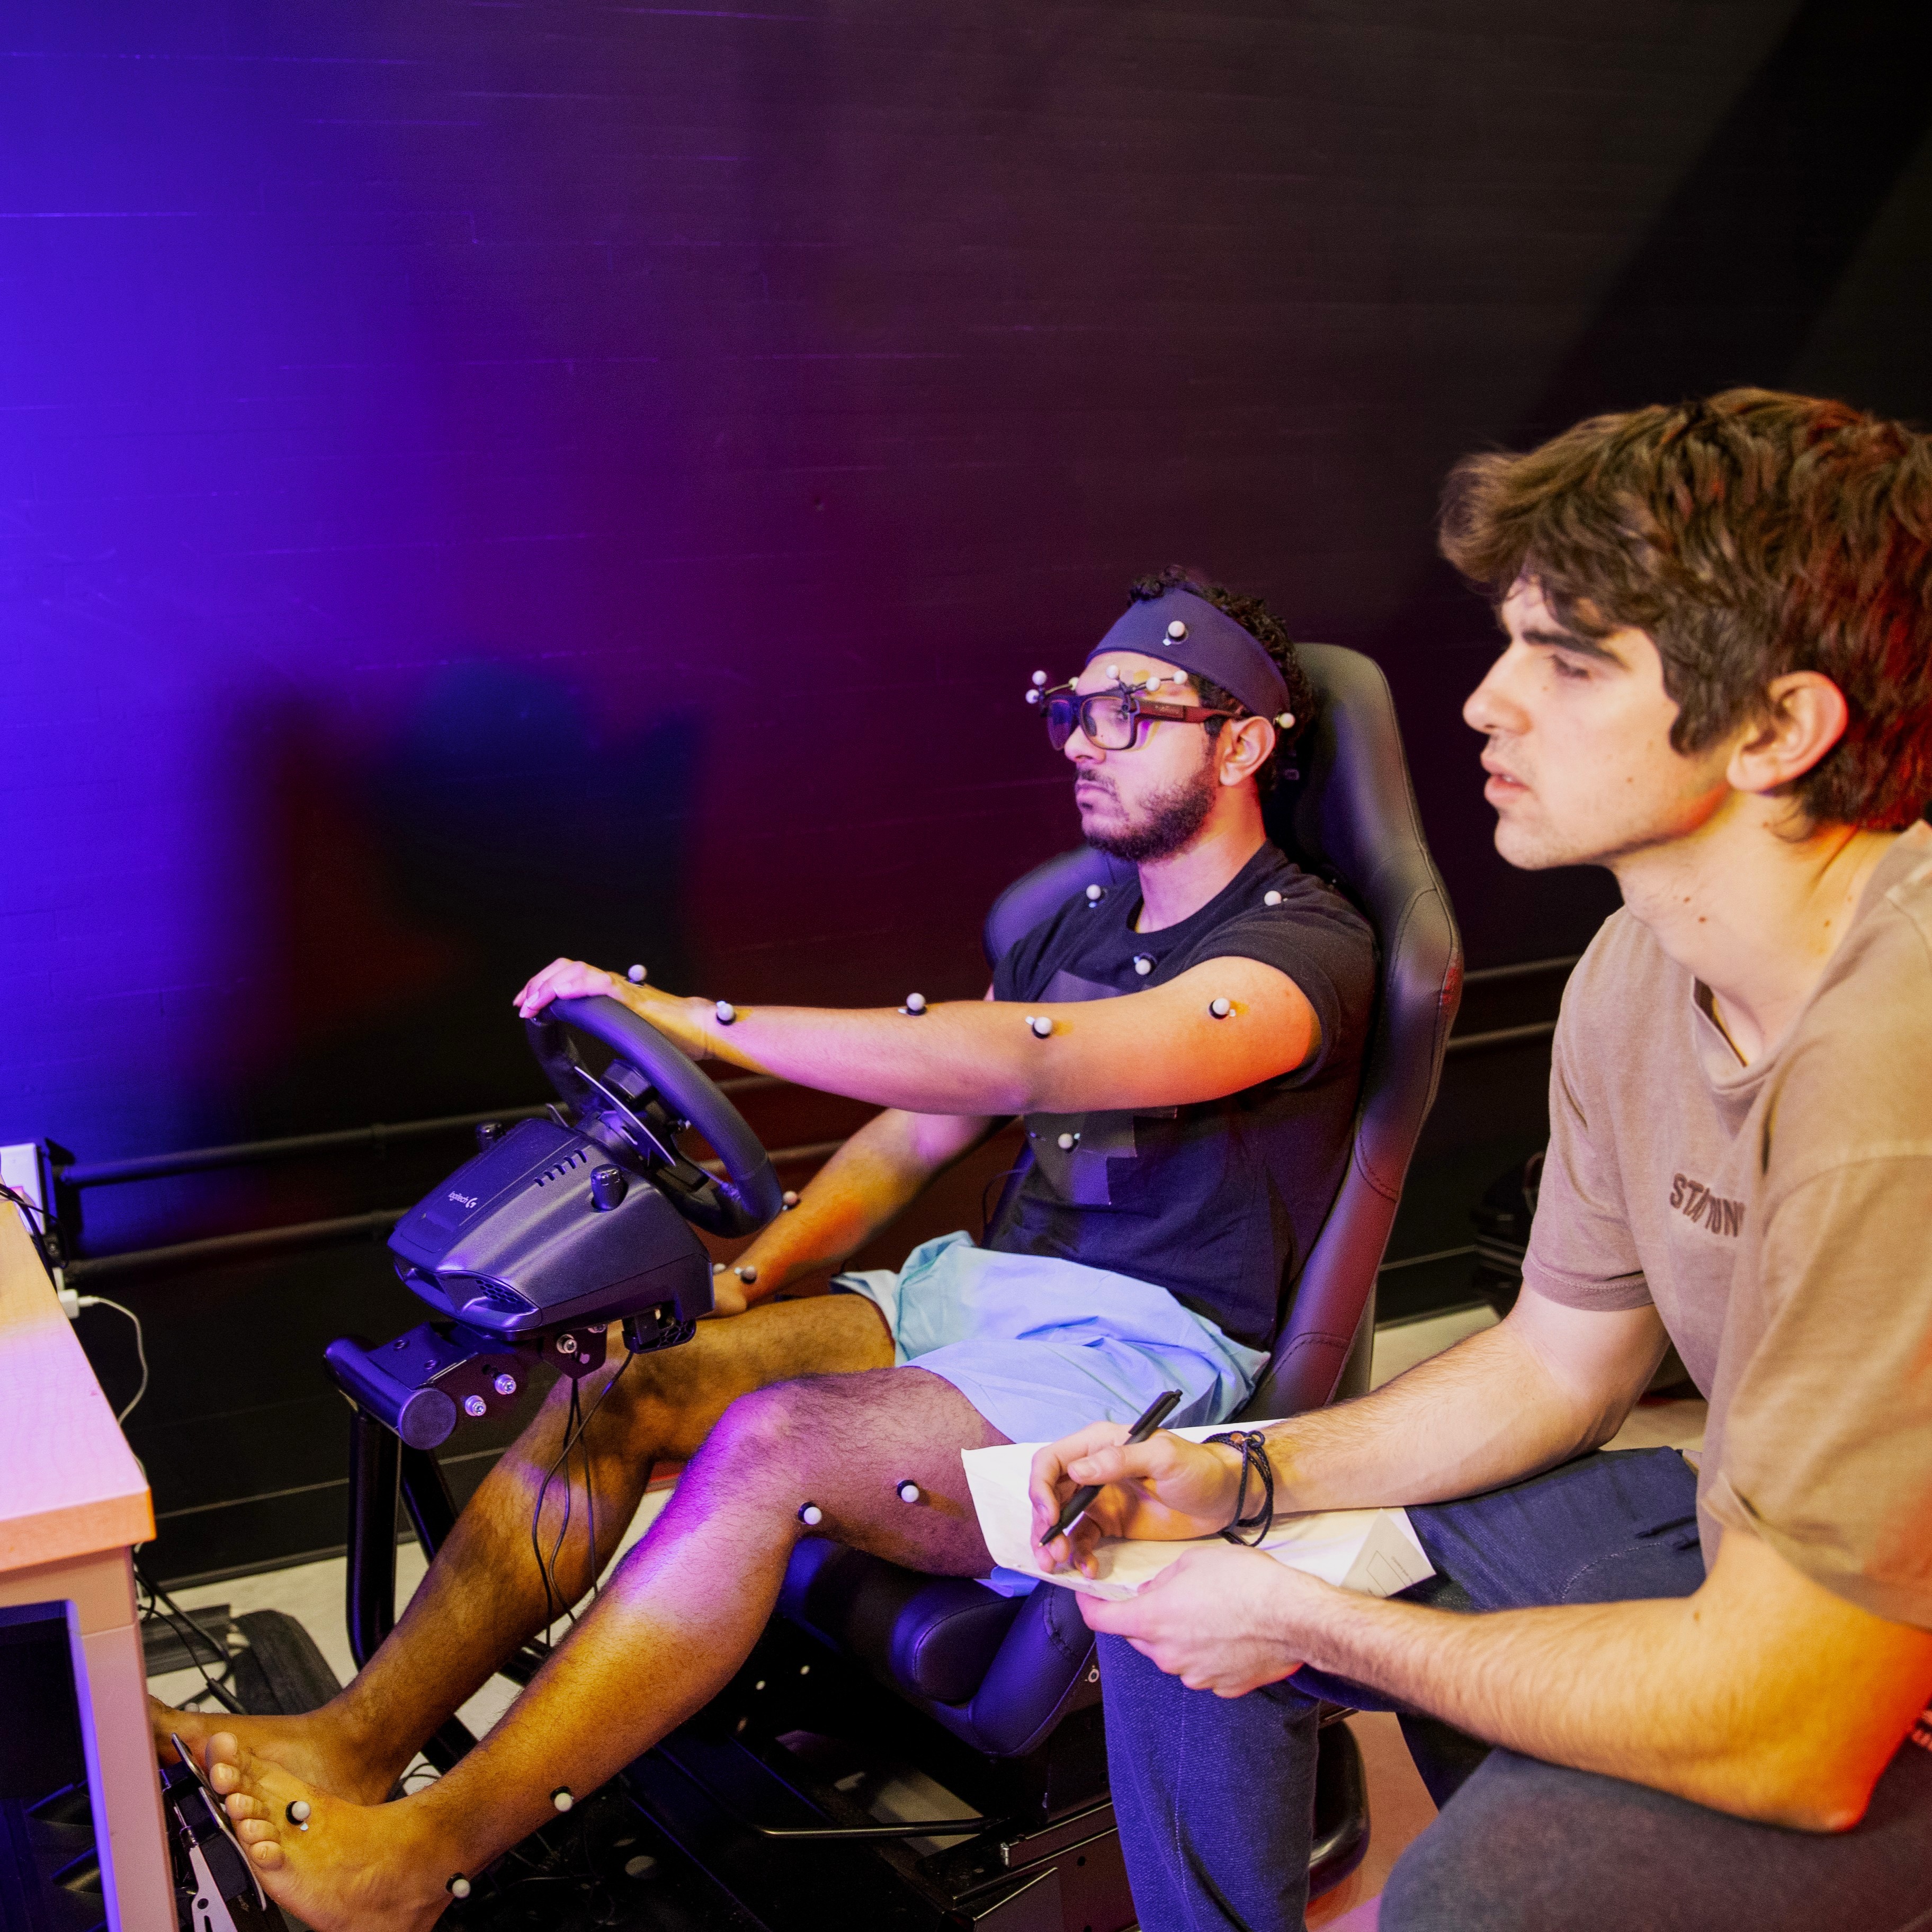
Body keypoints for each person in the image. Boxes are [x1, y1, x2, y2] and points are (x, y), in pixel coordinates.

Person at [150, 568, 1375, 1930]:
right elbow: (916, 1134)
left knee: (772, 1444)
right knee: (625, 1385)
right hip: (970, 1301)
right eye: (1072, 711)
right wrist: (748, 1277)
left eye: (1126, 714)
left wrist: (695, 1018)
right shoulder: (1076, 922)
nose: (1084, 741)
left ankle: (423, 1858)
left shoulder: (1301, 954)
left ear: (1241, 744)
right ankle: (348, 1742)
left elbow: (1033, 1059)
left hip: (1129, 1357)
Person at [1031, 391, 1932, 1932]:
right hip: (1756, 1551)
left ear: (1780, 728)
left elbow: (1798, 1729)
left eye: (1568, 662)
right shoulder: (1637, 969)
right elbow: (1557, 1365)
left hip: (1864, 1677)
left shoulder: (1895, 1060)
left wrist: (1309, 1620)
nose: (1486, 704)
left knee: (1477, 1896)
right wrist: (1239, 1474)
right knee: (1168, 1575)